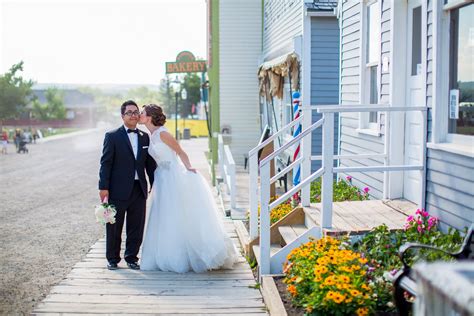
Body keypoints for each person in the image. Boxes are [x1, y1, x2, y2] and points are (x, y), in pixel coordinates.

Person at [139, 104, 238, 273]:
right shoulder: (152, 135)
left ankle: (187, 254)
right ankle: (164, 252)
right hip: (161, 178)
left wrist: (189, 167)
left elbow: (180, 151)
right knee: (163, 216)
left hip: (171, 176)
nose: (139, 115)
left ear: (149, 117)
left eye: (141, 113)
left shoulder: (163, 133)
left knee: (176, 214)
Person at [98, 100, 156, 270]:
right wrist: (103, 187)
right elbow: (106, 163)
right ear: (122, 116)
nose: (133, 115)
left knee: (136, 226)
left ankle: (131, 257)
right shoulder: (112, 136)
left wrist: (155, 184)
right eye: (129, 112)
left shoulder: (145, 137)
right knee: (114, 226)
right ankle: (113, 259)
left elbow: (150, 165)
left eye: (135, 112)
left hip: (139, 189)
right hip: (118, 189)